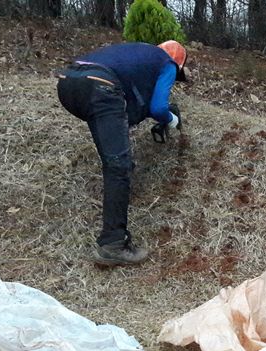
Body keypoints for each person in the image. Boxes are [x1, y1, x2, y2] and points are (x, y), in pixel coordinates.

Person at [57, 40, 188, 266]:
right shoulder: (168, 64)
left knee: (115, 158)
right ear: (177, 64)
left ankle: (120, 180)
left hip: (68, 83)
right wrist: (171, 119)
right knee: (118, 166)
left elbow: (130, 104)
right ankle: (113, 244)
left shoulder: (138, 54)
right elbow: (157, 107)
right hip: (99, 87)